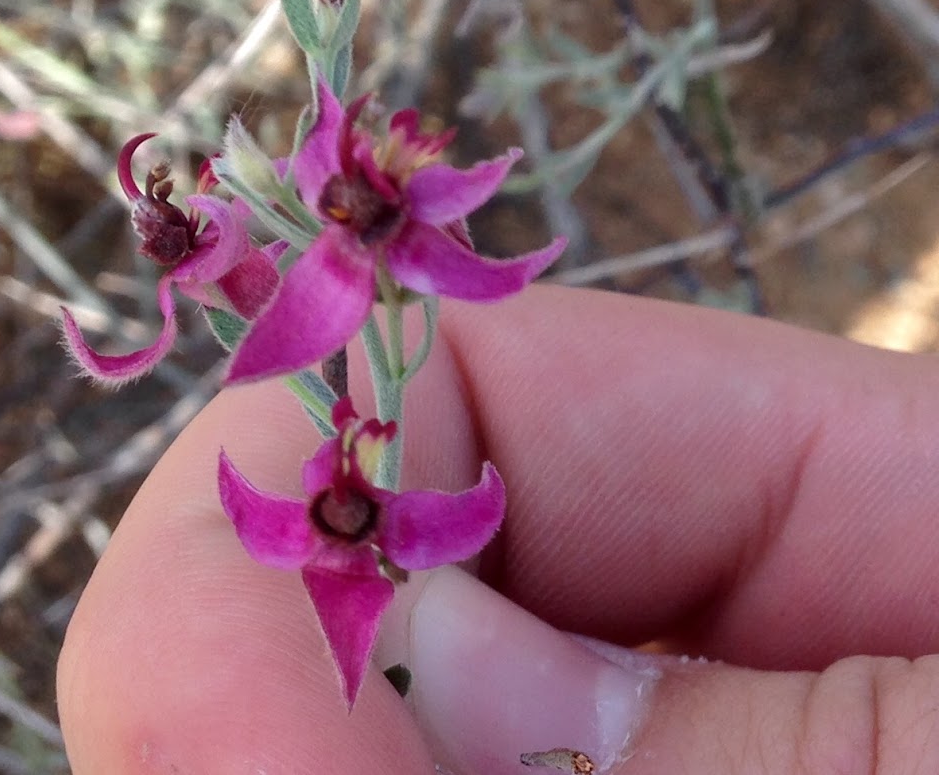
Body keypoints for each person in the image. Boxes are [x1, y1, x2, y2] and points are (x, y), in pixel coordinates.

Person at [57, 285, 939, 774]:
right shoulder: (326, 537)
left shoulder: (398, 517)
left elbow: (472, 510)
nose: (343, 485)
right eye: (336, 488)